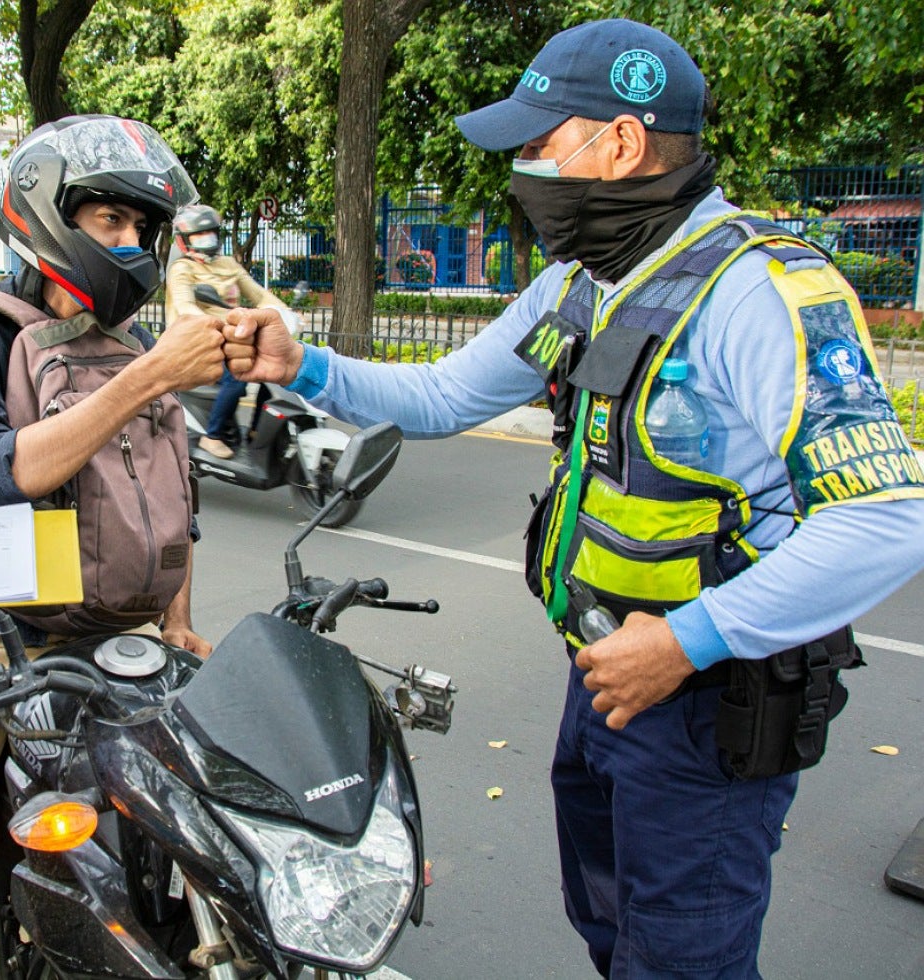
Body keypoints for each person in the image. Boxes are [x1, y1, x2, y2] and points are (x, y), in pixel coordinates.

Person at [221, 19, 924, 978]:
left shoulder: (762, 293)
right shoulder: (581, 282)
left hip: (705, 699)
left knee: (682, 962)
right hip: (606, 678)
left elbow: (885, 517)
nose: (524, 170)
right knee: (609, 928)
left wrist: (684, 643)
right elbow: (443, 395)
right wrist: (303, 365)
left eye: (541, 144)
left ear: (621, 144)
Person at [0, 114, 224, 980]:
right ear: (47, 212)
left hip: (109, 625)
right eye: (110, 221)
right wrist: (152, 375)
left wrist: (179, 620)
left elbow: (175, 504)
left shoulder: (129, 344)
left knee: (216, 820)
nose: (130, 240)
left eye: (141, 225)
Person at [165, 203, 296, 458]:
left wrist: (285, 312)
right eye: (199, 236)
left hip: (233, 339)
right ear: (184, 241)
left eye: (210, 234)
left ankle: (256, 434)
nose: (207, 241)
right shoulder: (183, 269)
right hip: (197, 340)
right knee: (236, 380)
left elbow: (258, 294)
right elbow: (185, 307)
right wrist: (219, 327)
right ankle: (211, 437)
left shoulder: (228, 264)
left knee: (271, 377)